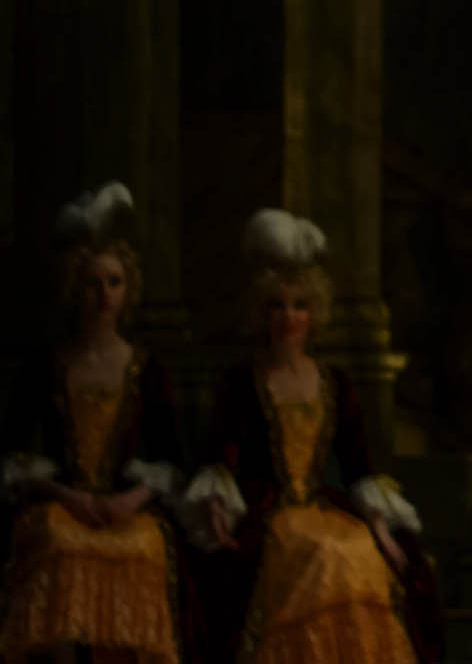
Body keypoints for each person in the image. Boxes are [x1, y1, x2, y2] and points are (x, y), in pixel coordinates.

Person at [182, 210, 442, 664]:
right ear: (261, 312)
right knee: (320, 553)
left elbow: (360, 465)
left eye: (299, 305)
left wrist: (381, 529)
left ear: (314, 312)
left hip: (324, 507)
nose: (289, 317)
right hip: (268, 512)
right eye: (278, 305)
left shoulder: (335, 382)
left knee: (356, 549)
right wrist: (218, 506)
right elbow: (223, 456)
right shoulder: (243, 382)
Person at [0, 182, 188, 664]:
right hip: (65, 502)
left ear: (128, 290)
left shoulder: (147, 368)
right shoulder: (49, 364)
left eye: (114, 282)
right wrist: (68, 494)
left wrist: (131, 499)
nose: (103, 295)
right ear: (72, 286)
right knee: (59, 540)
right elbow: (15, 450)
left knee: (144, 545)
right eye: (92, 283)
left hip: (124, 508)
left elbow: (170, 455)